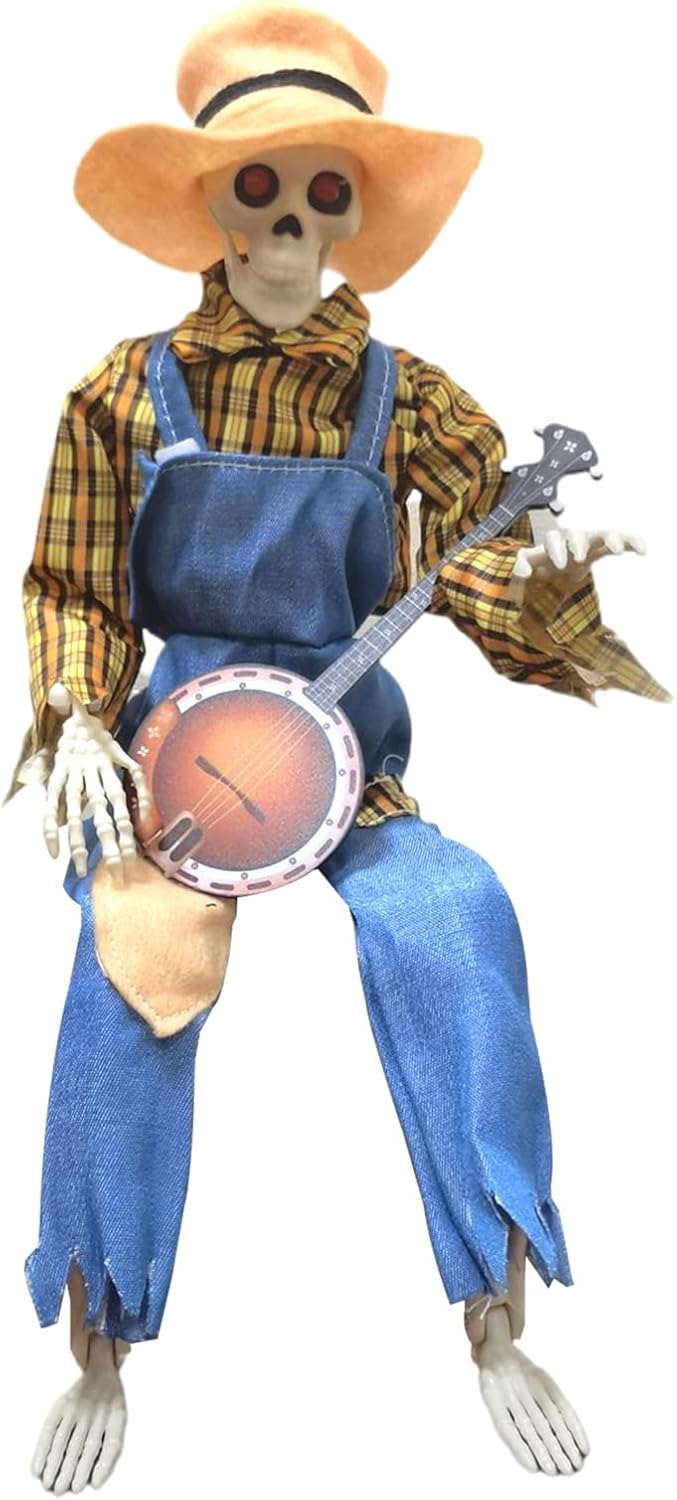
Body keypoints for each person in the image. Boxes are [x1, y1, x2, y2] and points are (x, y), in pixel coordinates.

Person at [13, 4, 667, 1491]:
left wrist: (551, 573)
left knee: (455, 918)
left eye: (323, 193)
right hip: (173, 762)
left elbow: (483, 562)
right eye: (259, 188)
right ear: (212, 203)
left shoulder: (409, 402)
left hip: (342, 754)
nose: (289, 228)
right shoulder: (121, 393)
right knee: (130, 976)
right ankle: (99, 1340)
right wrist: (75, 717)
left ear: (356, 215)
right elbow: (74, 585)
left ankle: (495, 1315)